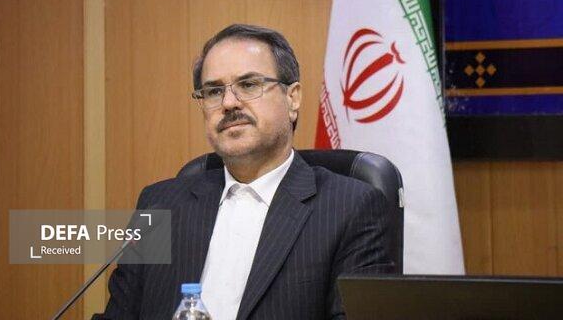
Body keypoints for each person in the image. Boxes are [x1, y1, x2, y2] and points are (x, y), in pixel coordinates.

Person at [94, 24, 394, 320]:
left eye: (248, 85)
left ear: (292, 98)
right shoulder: (160, 204)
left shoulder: (351, 208)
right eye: (213, 91)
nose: (228, 103)